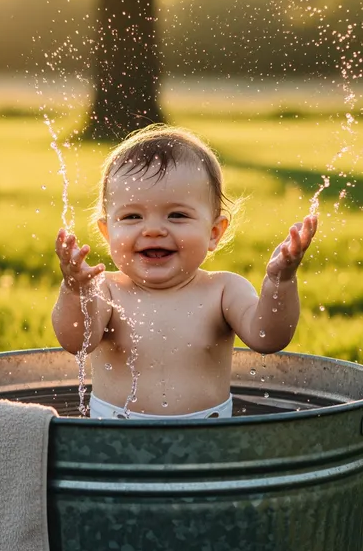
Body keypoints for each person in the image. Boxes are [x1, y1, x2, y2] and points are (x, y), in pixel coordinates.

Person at [51, 124, 317, 420]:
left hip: (206, 440)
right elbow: (76, 342)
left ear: (214, 232)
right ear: (107, 232)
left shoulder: (224, 291)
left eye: (177, 215)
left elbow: (269, 338)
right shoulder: (105, 290)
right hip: (114, 437)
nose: (152, 229)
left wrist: (280, 281)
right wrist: (75, 291)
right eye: (132, 216)